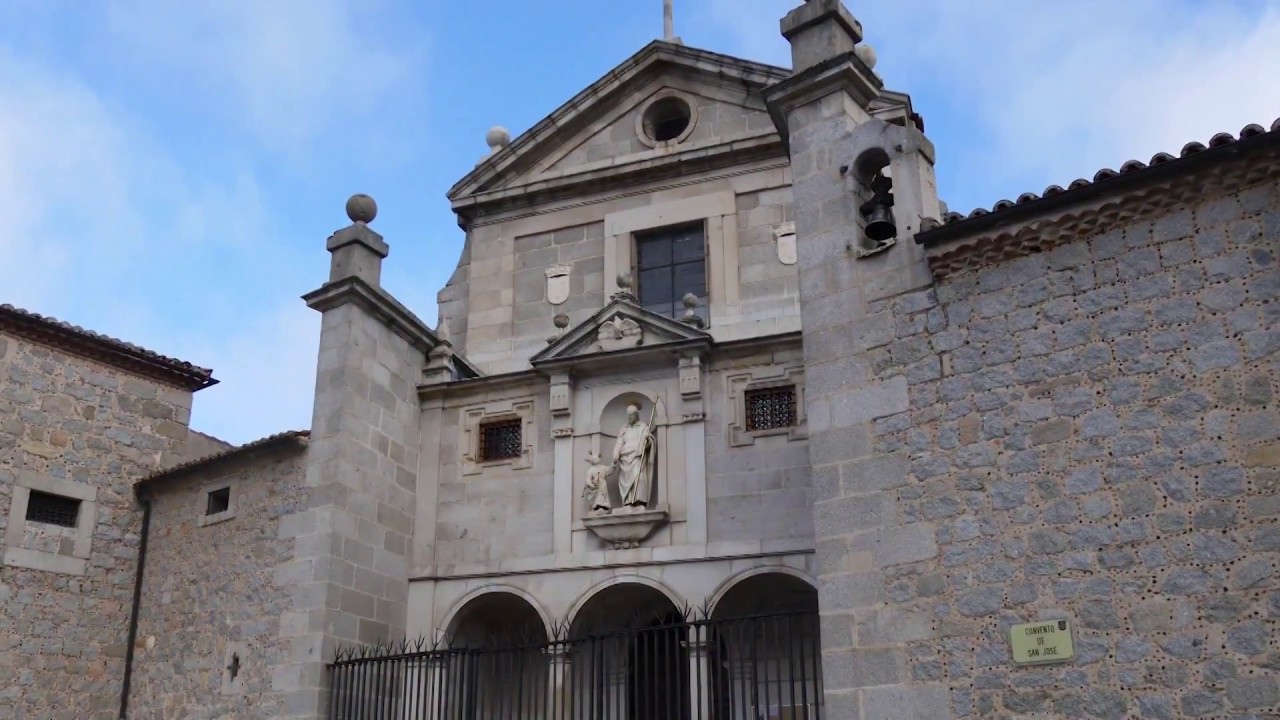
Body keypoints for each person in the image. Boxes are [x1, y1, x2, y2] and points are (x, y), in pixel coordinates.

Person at [612, 404, 654, 509]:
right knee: (626, 479)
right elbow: (619, 443)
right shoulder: (624, 429)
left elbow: (648, 441)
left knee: (638, 477)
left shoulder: (643, 427)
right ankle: (627, 502)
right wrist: (615, 454)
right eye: (628, 415)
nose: (629, 418)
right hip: (625, 459)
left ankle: (639, 501)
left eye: (631, 415)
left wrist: (647, 440)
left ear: (636, 415)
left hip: (637, 457)